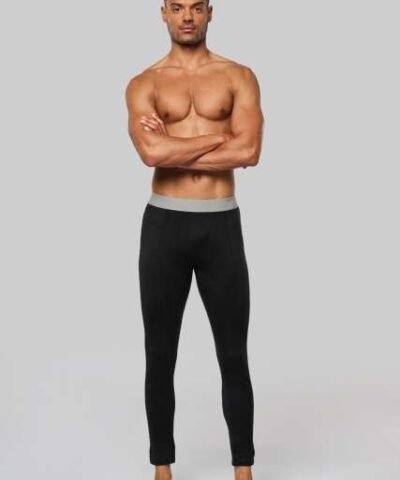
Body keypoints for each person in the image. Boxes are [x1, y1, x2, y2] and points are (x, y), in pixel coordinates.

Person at [125, 1, 264, 479]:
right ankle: (162, 467)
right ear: (163, 13)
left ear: (210, 13)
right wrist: (218, 140)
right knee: (160, 353)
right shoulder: (143, 83)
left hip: (219, 224)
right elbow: (150, 154)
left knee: (233, 354)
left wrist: (176, 147)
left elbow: (250, 149)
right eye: (178, 7)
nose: (188, 16)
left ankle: (243, 469)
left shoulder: (238, 76)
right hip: (164, 225)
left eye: (197, 7)